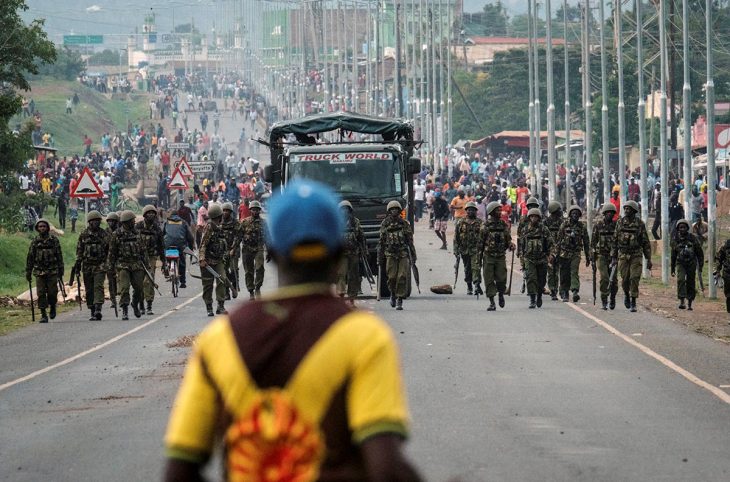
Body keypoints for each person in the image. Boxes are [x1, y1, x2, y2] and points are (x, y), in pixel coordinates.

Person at [163, 179, 421, 482]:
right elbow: (386, 467)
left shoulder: (219, 338)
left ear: (271, 250)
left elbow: (179, 469)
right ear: (338, 250)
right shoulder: (364, 336)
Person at [612, 201, 653, 313]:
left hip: (636, 254)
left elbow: (645, 242)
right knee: (625, 279)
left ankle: (633, 300)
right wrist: (614, 257)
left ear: (634, 211)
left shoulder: (640, 224)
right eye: (625, 209)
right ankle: (626, 294)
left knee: (634, 277)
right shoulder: (620, 223)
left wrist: (648, 259)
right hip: (623, 255)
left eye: (629, 209)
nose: (626, 211)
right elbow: (615, 240)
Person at [378, 200, 416, 310]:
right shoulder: (385, 224)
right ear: (389, 211)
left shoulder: (404, 224)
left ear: (399, 211)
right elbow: (381, 241)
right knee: (392, 277)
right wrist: (379, 257)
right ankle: (393, 294)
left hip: (402, 253)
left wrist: (413, 255)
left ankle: (399, 299)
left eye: (396, 209)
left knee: (402, 276)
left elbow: (409, 240)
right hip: (390, 254)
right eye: (392, 209)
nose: (394, 211)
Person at [107, 210, 144, 320]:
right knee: (124, 288)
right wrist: (110, 267)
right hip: (123, 265)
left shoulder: (137, 233)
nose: (134, 222)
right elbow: (112, 252)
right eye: (132, 221)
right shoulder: (116, 235)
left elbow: (143, 250)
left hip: (136, 264)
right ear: (126, 222)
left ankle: (135, 303)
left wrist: (147, 264)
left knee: (139, 288)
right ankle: (124, 309)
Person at [74, 210, 111, 320]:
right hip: (87, 266)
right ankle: (92, 309)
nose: (95, 223)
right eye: (93, 221)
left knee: (98, 286)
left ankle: (98, 308)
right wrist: (78, 264)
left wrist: (109, 263)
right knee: (89, 288)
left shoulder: (104, 234)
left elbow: (109, 249)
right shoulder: (84, 235)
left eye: (97, 221)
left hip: (100, 265)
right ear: (89, 222)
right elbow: (80, 250)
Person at [25, 219, 64, 323]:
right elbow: (30, 257)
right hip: (39, 271)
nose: (42, 228)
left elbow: (59, 255)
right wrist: (28, 272)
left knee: (52, 292)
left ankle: (52, 307)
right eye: (40, 227)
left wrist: (61, 270)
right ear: (37, 228)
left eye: (44, 226)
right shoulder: (35, 241)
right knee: (41, 293)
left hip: (52, 271)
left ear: (47, 228)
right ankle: (43, 314)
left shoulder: (54, 240)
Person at [482, 201, 515, 311]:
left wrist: (511, 245)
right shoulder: (485, 226)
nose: (500, 212)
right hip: (488, 256)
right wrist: (478, 259)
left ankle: (501, 294)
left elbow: (508, 239)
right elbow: (480, 243)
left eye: (500, 210)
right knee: (489, 280)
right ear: (491, 212)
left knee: (501, 279)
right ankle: (492, 302)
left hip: (500, 256)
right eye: (497, 210)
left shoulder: (503, 225)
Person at [554, 205, 590, 302]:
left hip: (576, 253)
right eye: (573, 213)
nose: (575, 215)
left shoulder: (582, 227)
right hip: (564, 253)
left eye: (577, 214)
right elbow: (558, 240)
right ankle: (565, 292)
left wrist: (588, 257)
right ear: (570, 214)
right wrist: (556, 254)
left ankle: (575, 291)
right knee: (564, 273)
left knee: (574, 271)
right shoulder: (564, 225)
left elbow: (586, 242)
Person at [198, 203, 229, 316]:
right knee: (207, 285)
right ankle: (209, 306)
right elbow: (202, 245)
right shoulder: (209, 227)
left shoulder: (219, 228)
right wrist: (202, 259)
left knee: (222, 280)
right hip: (207, 262)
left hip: (219, 260)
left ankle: (220, 306)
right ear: (219, 216)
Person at [135, 205, 166, 315]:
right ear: (144, 215)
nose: (151, 215)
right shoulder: (138, 227)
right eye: (149, 213)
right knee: (139, 282)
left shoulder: (157, 228)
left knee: (149, 280)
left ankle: (149, 304)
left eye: (153, 213)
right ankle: (141, 304)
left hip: (151, 258)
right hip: (138, 258)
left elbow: (161, 246)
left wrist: (164, 262)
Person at [521, 208, 553, 309]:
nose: (534, 218)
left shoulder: (544, 229)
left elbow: (550, 243)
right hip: (529, 258)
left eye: (536, 216)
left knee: (541, 280)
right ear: (529, 218)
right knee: (531, 279)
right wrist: (522, 261)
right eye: (532, 216)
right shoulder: (525, 230)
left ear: (539, 218)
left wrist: (550, 254)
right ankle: (532, 299)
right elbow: (522, 246)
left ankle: (539, 295)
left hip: (542, 258)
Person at [670, 219, 704, 310]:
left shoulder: (692, 238)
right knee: (681, 280)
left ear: (687, 228)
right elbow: (673, 254)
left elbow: (699, 253)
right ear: (678, 229)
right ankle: (682, 300)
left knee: (690, 282)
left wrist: (700, 266)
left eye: (684, 227)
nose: (682, 229)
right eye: (680, 227)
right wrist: (672, 268)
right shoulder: (675, 239)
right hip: (680, 262)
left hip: (691, 263)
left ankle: (690, 302)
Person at [453, 201, 484, 296]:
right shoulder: (460, 222)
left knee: (476, 267)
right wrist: (456, 250)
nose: (471, 212)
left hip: (476, 250)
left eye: (473, 210)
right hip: (464, 250)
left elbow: (484, 236)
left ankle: (476, 285)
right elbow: (456, 237)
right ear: (466, 211)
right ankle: (469, 286)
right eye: (469, 210)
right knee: (467, 269)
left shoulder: (480, 223)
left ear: (476, 211)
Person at [337, 200, 366, 303]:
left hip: (353, 253)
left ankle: (352, 298)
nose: (345, 211)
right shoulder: (337, 222)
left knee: (353, 276)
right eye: (343, 209)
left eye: (347, 209)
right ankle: (341, 294)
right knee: (341, 274)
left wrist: (364, 251)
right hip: (341, 254)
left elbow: (361, 237)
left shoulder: (355, 222)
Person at [591, 204, 619, 310]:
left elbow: (619, 241)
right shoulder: (598, 225)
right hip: (601, 255)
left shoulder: (616, 226)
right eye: (608, 213)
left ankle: (612, 297)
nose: (610, 214)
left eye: (612, 213)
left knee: (614, 280)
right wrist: (592, 258)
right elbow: (593, 243)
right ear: (604, 213)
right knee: (604, 278)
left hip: (613, 257)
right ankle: (604, 299)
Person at [239, 200, 267, 300]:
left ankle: (258, 287)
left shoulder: (263, 223)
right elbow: (238, 236)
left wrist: (270, 251)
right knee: (248, 271)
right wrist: (234, 249)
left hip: (259, 248)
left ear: (259, 211)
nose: (255, 212)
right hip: (247, 249)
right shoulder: (244, 222)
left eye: (257, 210)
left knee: (260, 268)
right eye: (253, 210)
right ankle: (251, 291)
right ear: (250, 210)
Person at [163, 210, 194, 289]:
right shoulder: (183, 222)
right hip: (180, 245)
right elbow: (190, 237)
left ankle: (167, 267)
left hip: (168, 244)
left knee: (166, 257)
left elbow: (162, 234)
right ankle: (183, 282)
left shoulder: (167, 222)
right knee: (182, 262)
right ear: (178, 215)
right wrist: (191, 248)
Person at [220, 202, 241, 299]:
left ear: (230, 212)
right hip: (223, 250)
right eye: (223, 211)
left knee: (234, 270)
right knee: (224, 271)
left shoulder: (235, 222)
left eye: (227, 211)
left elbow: (238, 235)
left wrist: (233, 248)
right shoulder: (219, 223)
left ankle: (235, 286)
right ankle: (227, 291)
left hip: (234, 249)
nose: (225, 213)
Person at [543, 201, 563, 300]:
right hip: (550, 250)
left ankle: (562, 290)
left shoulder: (562, 222)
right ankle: (553, 290)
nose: (561, 211)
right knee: (551, 271)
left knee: (561, 271)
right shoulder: (546, 222)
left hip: (561, 249)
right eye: (559, 210)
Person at [715, 239, 730, 314]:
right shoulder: (726, 245)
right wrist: (718, 271)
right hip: (728, 273)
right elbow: (719, 258)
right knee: (729, 295)